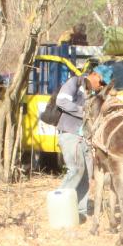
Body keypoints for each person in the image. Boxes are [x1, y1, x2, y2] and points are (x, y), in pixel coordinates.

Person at [51, 68, 106, 218]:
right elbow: (61, 101)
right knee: (76, 170)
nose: (101, 86)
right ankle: (58, 208)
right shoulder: (75, 82)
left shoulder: (94, 93)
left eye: (104, 84)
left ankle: (79, 212)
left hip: (84, 139)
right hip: (70, 135)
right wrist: (83, 111)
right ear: (94, 74)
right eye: (101, 81)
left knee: (86, 175)